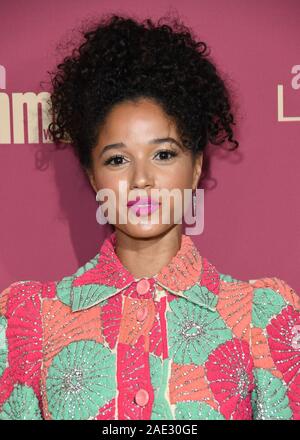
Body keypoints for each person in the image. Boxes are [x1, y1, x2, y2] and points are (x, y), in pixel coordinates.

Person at [0, 13, 299, 421]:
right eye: (118, 159)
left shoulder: (261, 317)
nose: (141, 179)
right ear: (92, 176)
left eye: (163, 154)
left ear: (196, 167)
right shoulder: (28, 321)